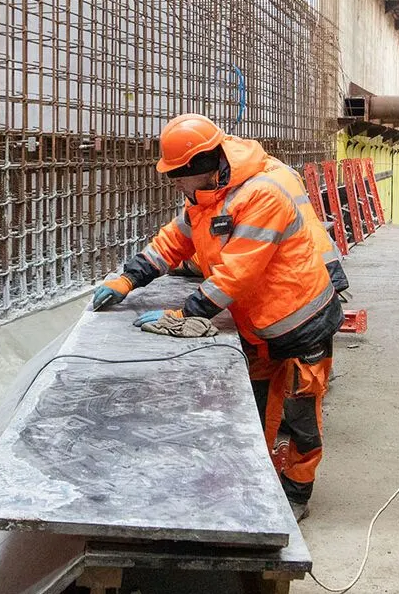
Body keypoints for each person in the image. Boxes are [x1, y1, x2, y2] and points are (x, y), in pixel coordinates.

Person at [90, 114, 343, 517]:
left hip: (302, 324)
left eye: (177, 175)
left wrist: (184, 314)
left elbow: (236, 273)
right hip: (259, 328)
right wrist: (128, 278)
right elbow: (175, 240)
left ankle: (297, 493)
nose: (174, 183)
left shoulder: (262, 194)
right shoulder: (205, 197)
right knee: (258, 409)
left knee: (301, 419)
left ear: (201, 167)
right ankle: (255, 481)